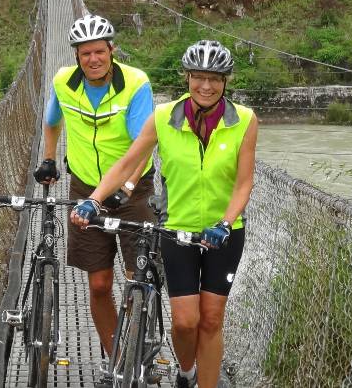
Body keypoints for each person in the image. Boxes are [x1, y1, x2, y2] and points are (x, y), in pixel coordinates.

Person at [71, 40, 258, 388]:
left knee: (212, 318)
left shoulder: (244, 120)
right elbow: (127, 162)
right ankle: (186, 370)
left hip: (225, 234)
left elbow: (244, 183)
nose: (206, 86)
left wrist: (225, 223)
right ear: (186, 78)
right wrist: (94, 199)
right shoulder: (164, 117)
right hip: (175, 231)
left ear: (226, 81)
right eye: (198, 77)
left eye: (215, 78)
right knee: (186, 321)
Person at [33, 14, 155, 358]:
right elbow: (52, 120)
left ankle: (137, 346)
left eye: (99, 51)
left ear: (112, 50)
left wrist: (127, 186)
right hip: (85, 189)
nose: (93, 59)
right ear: (76, 55)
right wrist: (49, 158)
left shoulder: (135, 83)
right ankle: (117, 358)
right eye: (85, 54)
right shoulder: (63, 83)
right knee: (99, 284)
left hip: (133, 191)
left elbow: (142, 145)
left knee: (137, 280)